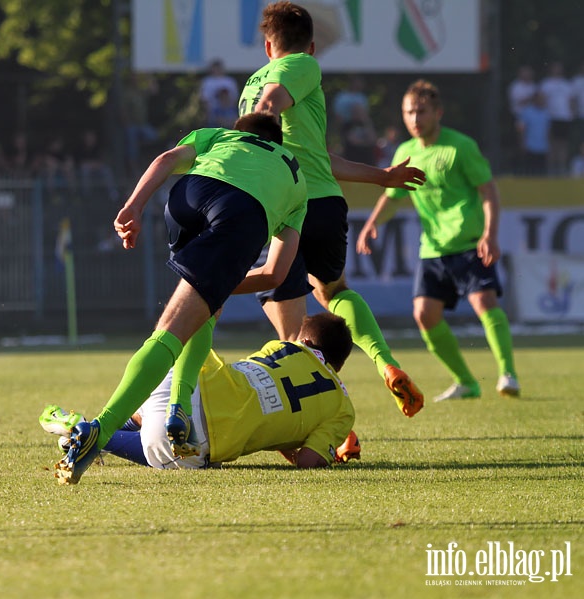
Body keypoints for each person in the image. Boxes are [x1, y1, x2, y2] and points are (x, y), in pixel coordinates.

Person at [55, 112, 308, 485]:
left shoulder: (219, 137)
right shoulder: (295, 177)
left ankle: (178, 411)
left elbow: (164, 161)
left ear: (241, 132)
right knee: (175, 328)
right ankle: (101, 430)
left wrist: (134, 206)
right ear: (278, 143)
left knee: (207, 310)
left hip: (187, 196)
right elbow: (275, 274)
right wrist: (213, 286)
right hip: (241, 213)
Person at [235, 1, 426, 418]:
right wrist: (381, 176)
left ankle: (331, 418)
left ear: (269, 47)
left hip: (286, 204)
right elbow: (320, 157)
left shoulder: (260, 81)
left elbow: (269, 106)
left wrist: (381, 176)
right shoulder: (305, 67)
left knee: (290, 335)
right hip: (323, 201)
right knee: (333, 291)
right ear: (313, 45)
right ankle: (385, 363)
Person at [357, 79, 520, 402]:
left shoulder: (460, 146)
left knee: (484, 303)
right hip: (433, 250)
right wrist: (372, 223)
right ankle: (465, 382)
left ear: (438, 113)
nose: (415, 119)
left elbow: (488, 192)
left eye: (421, 111)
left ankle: (508, 374)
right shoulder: (405, 152)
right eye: (409, 112)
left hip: (469, 243)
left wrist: (490, 234)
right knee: (424, 315)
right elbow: (393, 196)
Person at [45, 313, 359, 472]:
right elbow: (307, 461)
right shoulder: (342, 408)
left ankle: (98, 425)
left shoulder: (283, 346)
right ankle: (87, 431)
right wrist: (327, 453)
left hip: (184, 370)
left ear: (304, 341)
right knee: (186, 458)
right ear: (340, 365)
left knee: (156, 413)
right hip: (202, 431)